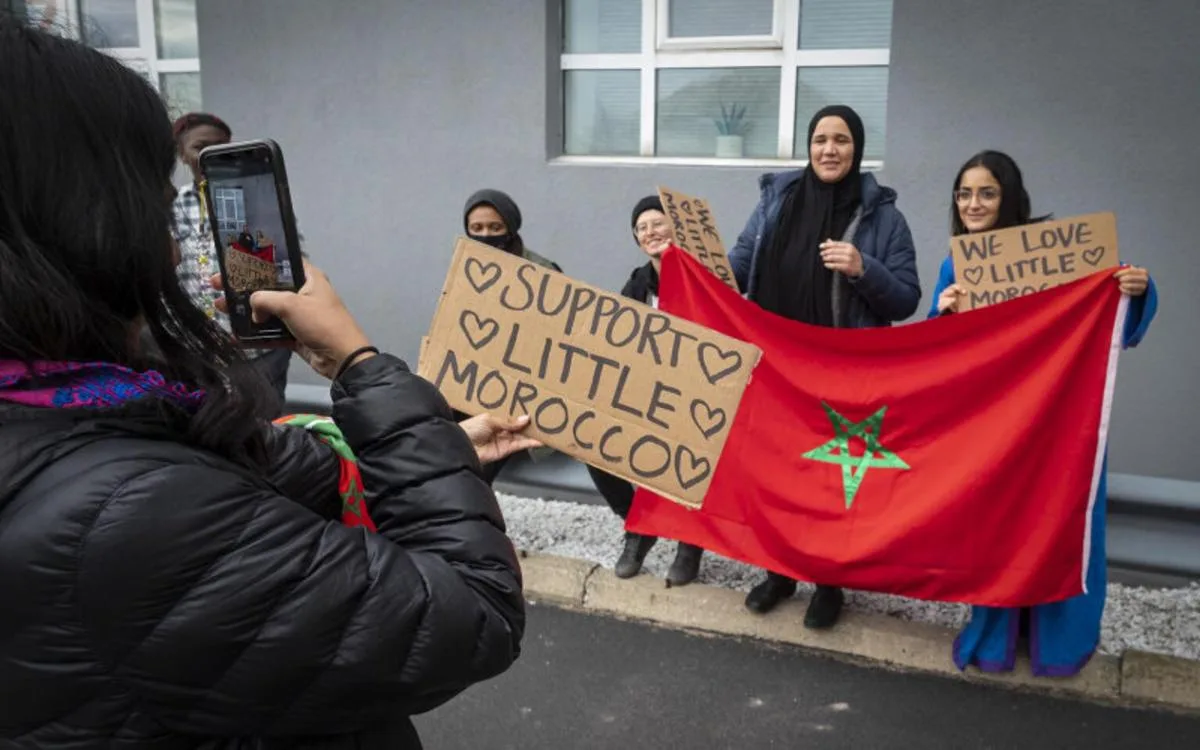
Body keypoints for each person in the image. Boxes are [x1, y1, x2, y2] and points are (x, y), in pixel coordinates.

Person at [0, 17, 532, 747]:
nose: (170, 245)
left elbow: (260, 473)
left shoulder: (84, 418)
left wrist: (434, 447)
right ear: (86, 225)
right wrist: (359, 364)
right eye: (155, 203)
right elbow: (472, 613)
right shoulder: (134, 511)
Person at [930, 149, 1156, 677]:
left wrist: (1136, 290)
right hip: (993, 427)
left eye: (987, 193)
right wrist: (943, 313)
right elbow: (936, 358)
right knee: (997, 529)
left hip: (1057, 424)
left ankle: (1059, 640)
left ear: (1009, 197)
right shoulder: (954, 266)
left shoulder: (1057, 254)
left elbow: (1108, 310)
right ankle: (995, 634)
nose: (973, 203)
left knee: (1060, 522)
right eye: (964, 194)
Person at [728, 104, 921, 629]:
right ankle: (779, 572)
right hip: (775, 371)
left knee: (829, 483)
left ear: (857, 149)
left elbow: (906, 298)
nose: (829, 150)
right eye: (820, 139)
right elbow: (741, 261)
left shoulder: (884, 217)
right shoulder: (777, 200)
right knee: (775, 474)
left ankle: (828, 582)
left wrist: (863, 268)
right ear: (808, 146)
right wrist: (700, 269)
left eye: (841, 140)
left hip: (842, 374)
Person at [586, 196, 707, 586]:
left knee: (687, 453)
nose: (651, 232)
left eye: (658, 223)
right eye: (642, 228)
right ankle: (638, 525)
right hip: (646, 394)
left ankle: (690, 540)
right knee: (590, 440)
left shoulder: (704, 278)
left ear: (676, 228)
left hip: (696, 398)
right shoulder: (637, 284)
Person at [171, 111, 293, 414]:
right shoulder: (172, 204)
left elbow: (289, 261)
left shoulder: (258, 199)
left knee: (264, 422)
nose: (211, 155)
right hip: (196, 350)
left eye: (220, 146)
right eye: (200, 147)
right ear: (182, 154)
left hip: (257, 350)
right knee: (210, 424)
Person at [455, 188, 563, 485]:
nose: (485, 235)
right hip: (469, 381)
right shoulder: (465, 267)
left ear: (510, 228)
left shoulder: (543, 271)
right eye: (477, 228)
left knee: (481, 466)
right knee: (458, 458)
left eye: (495, 227)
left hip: (514, 385)